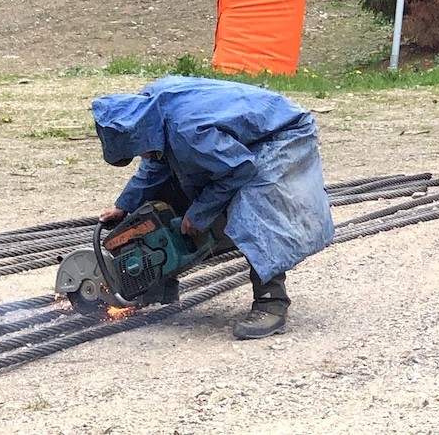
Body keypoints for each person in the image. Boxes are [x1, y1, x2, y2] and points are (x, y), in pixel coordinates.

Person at [92, 75, 335, 340]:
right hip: (241, 139)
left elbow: (240, 169)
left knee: (252, 205)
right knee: (170, 187)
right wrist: (124, 205)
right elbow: (156, 163)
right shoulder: (147, 111)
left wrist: (200, 213)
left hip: (283, 133)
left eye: (139, 152)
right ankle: (156, 287)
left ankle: (271, 304)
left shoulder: (189, 131)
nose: (141, 157)